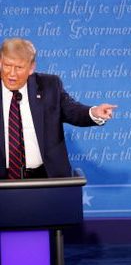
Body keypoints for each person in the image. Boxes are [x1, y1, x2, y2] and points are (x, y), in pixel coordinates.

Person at [0, 37, 116, 179]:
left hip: (45, 177)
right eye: (7, 65)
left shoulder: (49, 86)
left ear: (31, 68)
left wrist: (94, 112)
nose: (12, 73)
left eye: (19, 67)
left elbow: (72, 110)